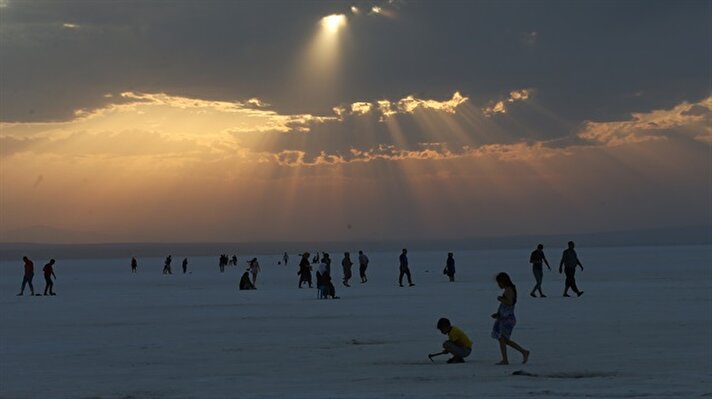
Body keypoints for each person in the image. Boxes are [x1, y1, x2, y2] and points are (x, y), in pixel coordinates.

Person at [491, 272, 530, 365]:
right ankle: (523, 352)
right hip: (504, 318)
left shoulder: (509, 290)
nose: (498, 285)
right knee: (504, 340)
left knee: (502, 339)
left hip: (507, 319)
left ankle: (506, 359)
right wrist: (498, 314)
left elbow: (509, 303)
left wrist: (501, 299)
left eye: (499, 283)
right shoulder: (508, 289)